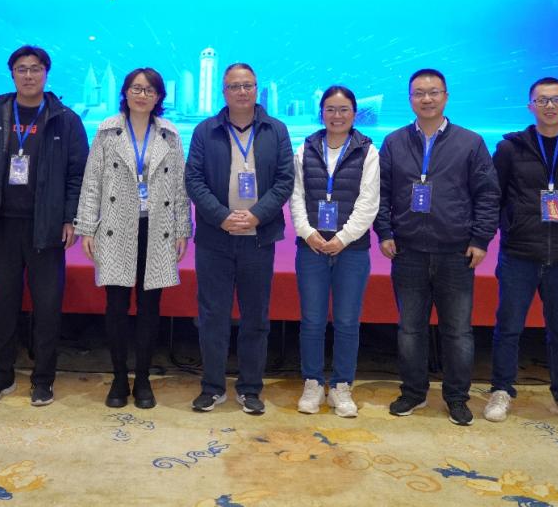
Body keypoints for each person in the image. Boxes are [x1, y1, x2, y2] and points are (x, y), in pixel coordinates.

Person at [0, 45, 88, 406]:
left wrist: (70, 218)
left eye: (35, 69)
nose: (28, 75)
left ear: (46, 73)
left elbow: (78, 174)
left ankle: (43, 378)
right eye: (21, 69)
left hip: (46, 226)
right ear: (12, 74)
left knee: (47, 306)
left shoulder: (65, 119)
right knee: (2, 303)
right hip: (2, 224)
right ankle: (1, 376)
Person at [374, 68, 499, 426]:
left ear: (446, 96)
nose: (426, 99)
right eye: (419, 93)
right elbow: (381, 192)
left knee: (457, 331)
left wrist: (480, 239)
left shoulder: (470, 142)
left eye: (433, 92)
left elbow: (487, 195)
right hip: (407, 251)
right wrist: (384, 232)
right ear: (410, 98)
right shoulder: (394, 142)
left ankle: (457, 398)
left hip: (456, 252)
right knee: (410, 330)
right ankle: (413, 393)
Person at [484, 77, 558, 429]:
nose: (549, 106)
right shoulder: (510, 149)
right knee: (508, 327)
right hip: (519, 252)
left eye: (556, 99)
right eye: (542, 100)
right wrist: (514, 226)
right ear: (530, 106)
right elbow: (494, 195)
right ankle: (501, 390)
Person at [75, 68, 192, 410]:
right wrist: (87, 227)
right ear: (125, 93)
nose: (142, 95)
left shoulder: (170, 134)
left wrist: (182, 230)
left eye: (150, 90)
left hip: (157, 228)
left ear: (159, 97)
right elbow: (92, 181)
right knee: (116, 305)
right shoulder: (107, 130)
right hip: (116, 225)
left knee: (150, 307)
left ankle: (142, 379)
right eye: (136, 89)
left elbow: (180, 187)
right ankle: (118, 378)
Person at [185, 63, 294, 415]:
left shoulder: (276, 130)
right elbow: (194, 180)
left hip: (259, 238)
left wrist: (257, 214)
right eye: (235, 86)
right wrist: (222, 216)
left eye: (248, 85)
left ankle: (249, 389)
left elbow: (285, 180)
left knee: (255, 318)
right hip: (215, 239)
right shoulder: (205, 131)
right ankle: (212, 387)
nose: (242, 91)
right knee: (212, 315)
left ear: (256, 89)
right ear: (224, 92)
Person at [290, 86, 380, 418]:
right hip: (310, 248)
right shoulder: (305, 149)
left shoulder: (368, 151)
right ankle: (313, 382)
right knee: (312, 320)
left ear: (354, 114)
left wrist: (342, 238)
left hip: (352, 250)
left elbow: (369, 202)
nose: (337, 116)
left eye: (343, 110)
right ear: (321, 113)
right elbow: (296, 197)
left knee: (346, 321)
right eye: (330, 109)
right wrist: (308, 233)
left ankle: (342, 386)